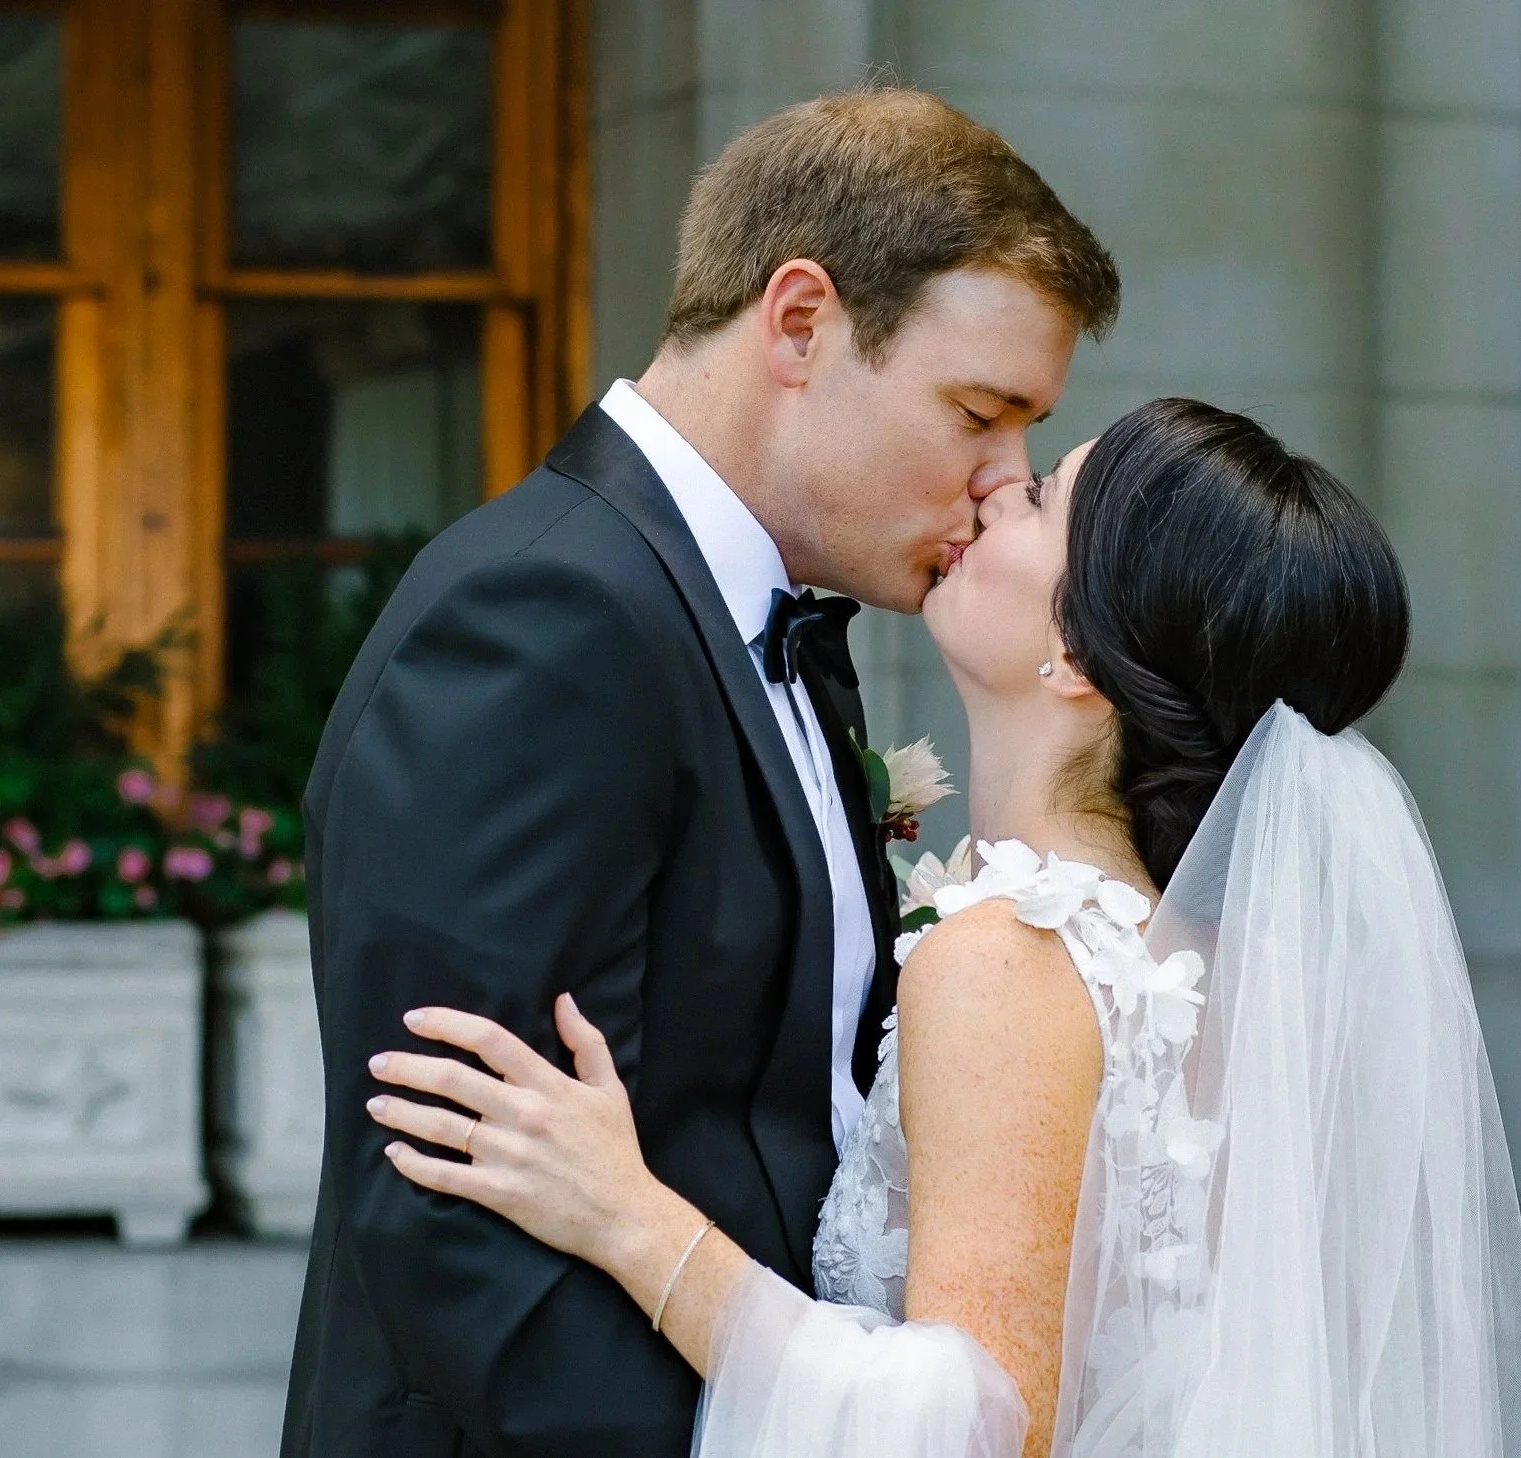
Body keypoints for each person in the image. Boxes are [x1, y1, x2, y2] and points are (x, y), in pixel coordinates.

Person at [365, 400, 1521, 1457]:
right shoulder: (1209, 963)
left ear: (1077, 656)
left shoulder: (1009, 954)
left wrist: (631, 1221)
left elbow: (972, 1429)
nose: (995, 488)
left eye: (1039, 498)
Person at [279, 86, 1120, 1458]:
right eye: (978, 412)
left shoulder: (789, 631)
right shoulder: (546, 618)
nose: (998, 480)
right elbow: (456, 1208)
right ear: (799, 323)